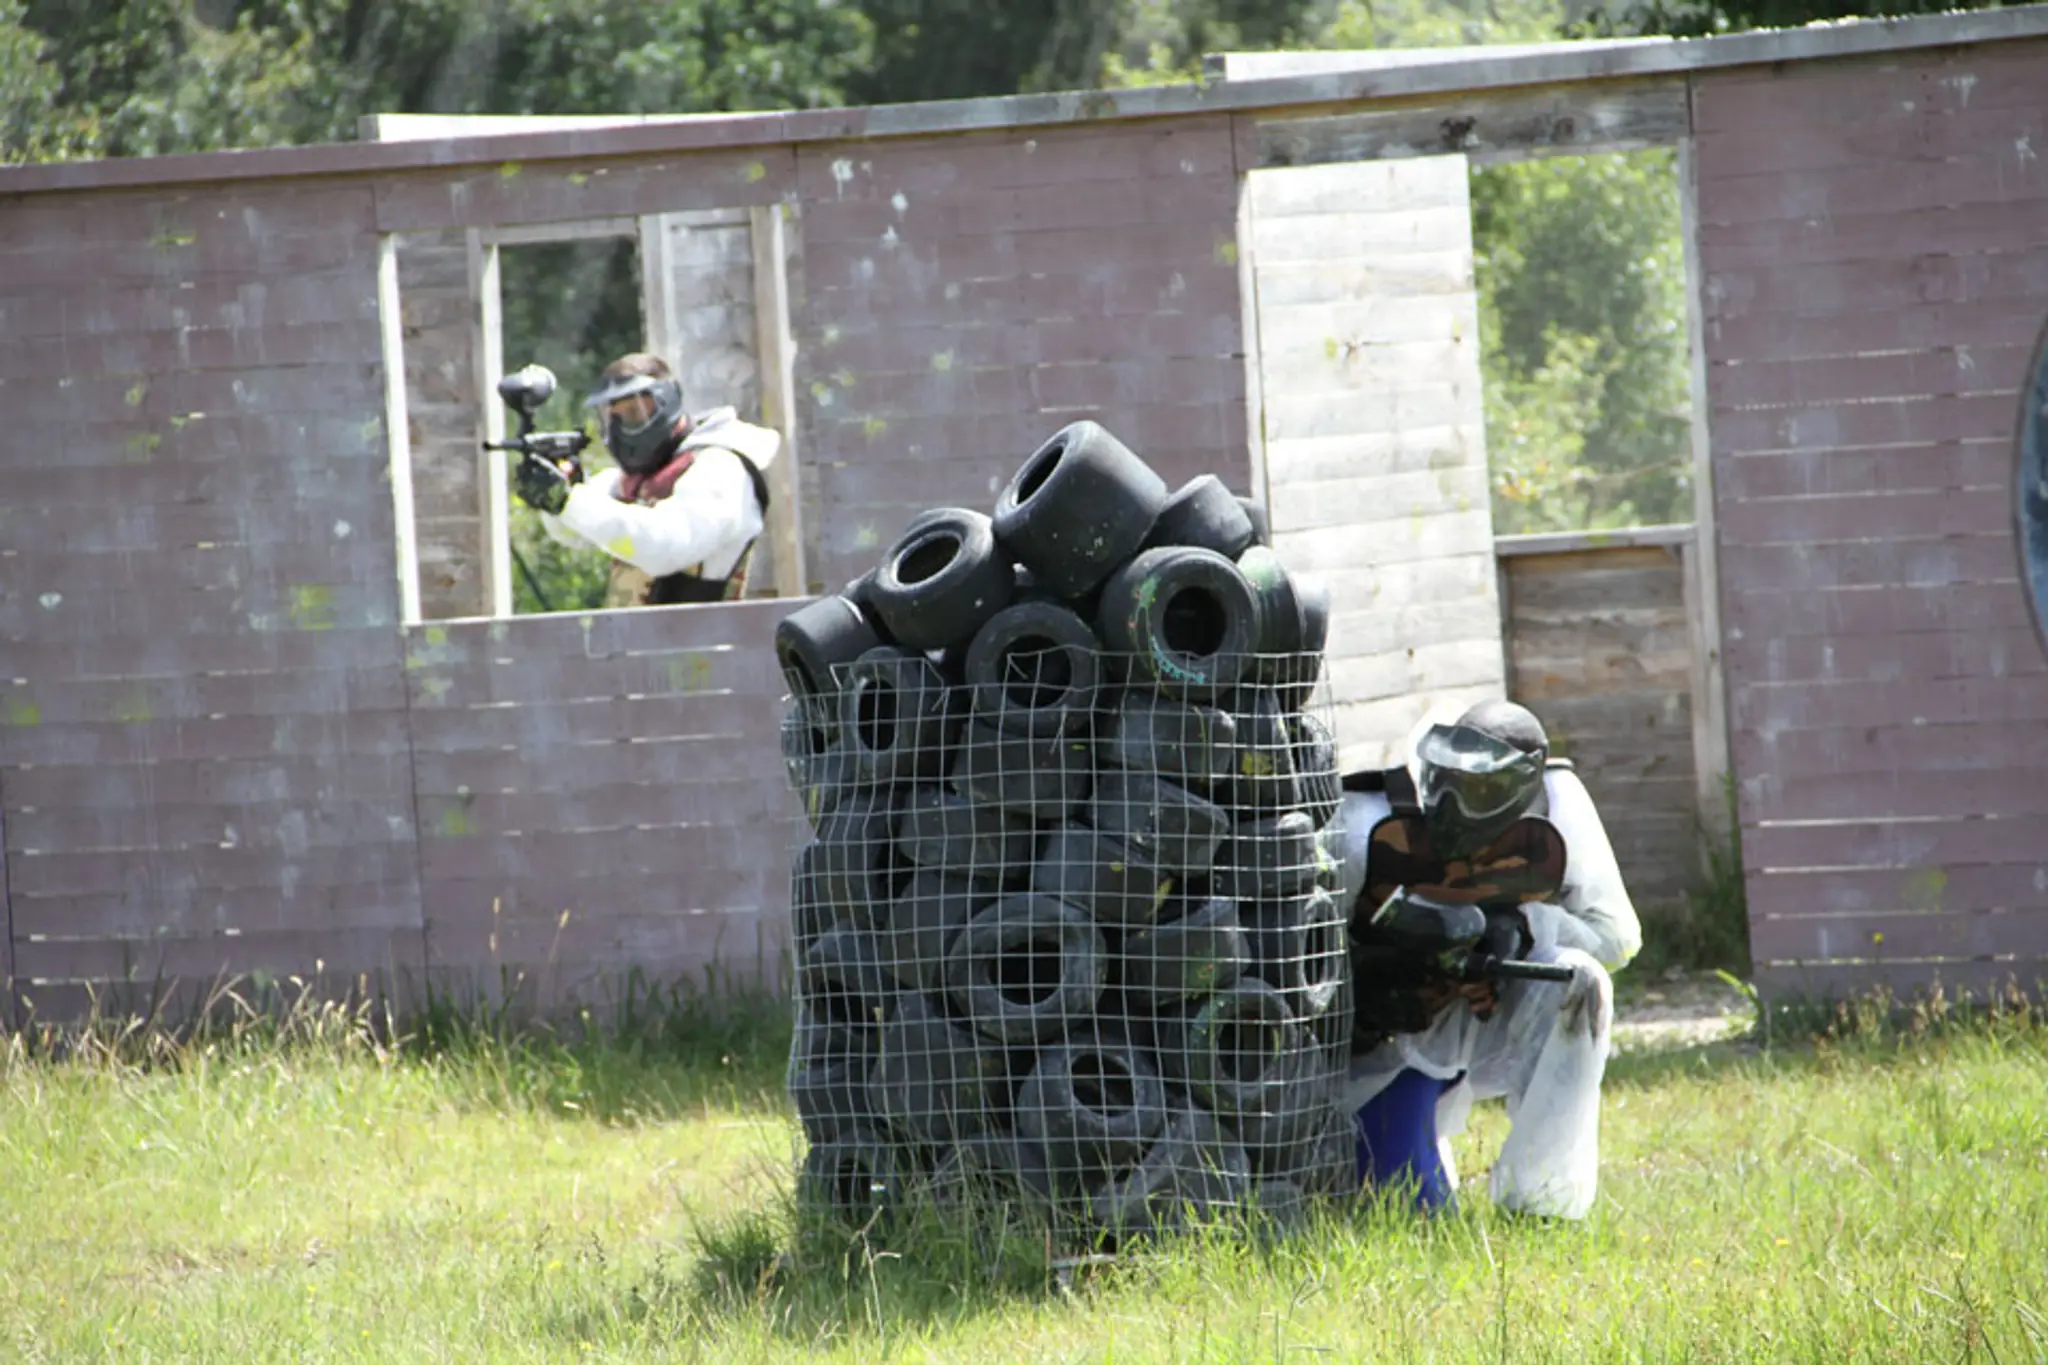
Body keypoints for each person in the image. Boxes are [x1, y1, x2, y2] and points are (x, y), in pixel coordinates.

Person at [1330, 698, 1641, 1220]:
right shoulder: (1365, 822)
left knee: (1580, 981)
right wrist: (1386, 972)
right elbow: (1299, 965)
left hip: (1489, 1014)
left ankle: (1540, 1206)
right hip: (1378, 1041)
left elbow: (1618, 938)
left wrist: (1519, 927)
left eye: (1479, 790)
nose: (1455, 804)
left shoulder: (1558, 805)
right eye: (1445, 782)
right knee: (1407, 1214)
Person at [511, 351, 782, 606]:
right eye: (611, 417)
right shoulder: (636, 479)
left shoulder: (720, 468)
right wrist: (558, 496)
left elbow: (666, 547)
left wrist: (569, 500)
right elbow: (571, 534)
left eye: (635, 412)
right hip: (646, 649)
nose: (620, 428)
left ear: (669, 401)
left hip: (712, 649)